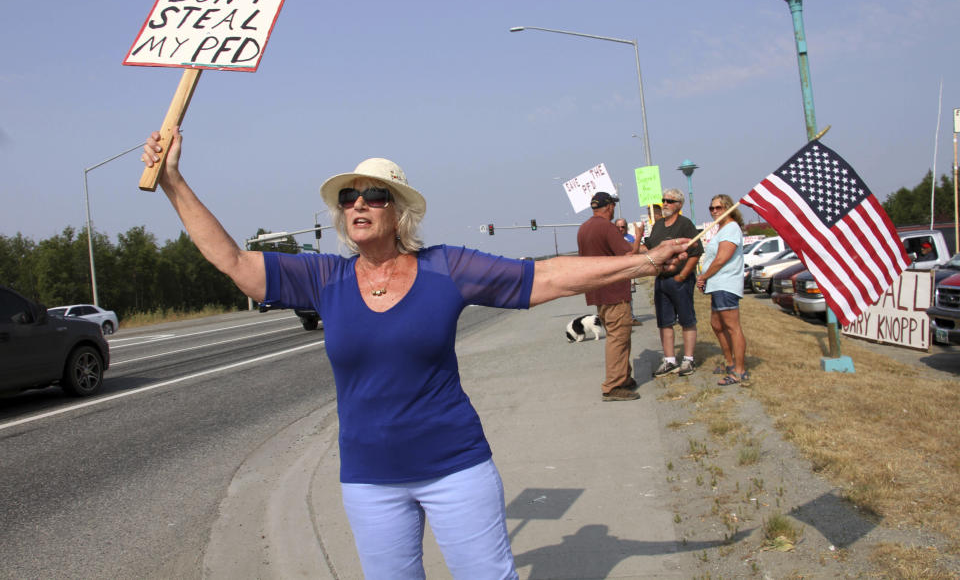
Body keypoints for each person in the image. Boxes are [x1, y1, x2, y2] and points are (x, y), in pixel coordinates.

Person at [141, 129, 690, 580]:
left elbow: (542, 275)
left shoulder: (444, 268)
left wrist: (643, 262)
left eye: (373, 195)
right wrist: (174, 183)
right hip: (368, 479)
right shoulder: (324, 278)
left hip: (455, 468)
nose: (359, 204)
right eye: (349, 197)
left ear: (398, 211)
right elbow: (235, 261)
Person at [578, 193, 644, 401]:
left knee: (620, 335)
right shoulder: (607, 227)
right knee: (617, 338)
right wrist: (639, 235)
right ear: (609, 207)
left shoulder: (584, 228)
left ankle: (623, 378)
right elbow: (628, 256)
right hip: (614, 291)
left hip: (598, 292)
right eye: (613, 205)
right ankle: (613, 386)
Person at [639, 189, 702, 377]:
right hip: (661, 280)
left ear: (679, 205)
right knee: (664, 321)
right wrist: (631, 244)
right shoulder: (658, 225)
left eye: (670, 201)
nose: (665, 203)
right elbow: (648, 248)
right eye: (663, 200)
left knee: (686, 319)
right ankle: (669, 360)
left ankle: (688, 360)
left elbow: (696, 252)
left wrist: (682, 276)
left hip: (680, 280)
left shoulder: (685, 225)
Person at [696, 195, 749, 387]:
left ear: (728, 208)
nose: (714, 211)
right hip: (716, 284)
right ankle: (730, 363)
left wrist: (703, 276)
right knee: (717, 324)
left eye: (718, 207)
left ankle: (740, 371)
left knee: (732, 326)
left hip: (726, 284)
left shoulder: (732, 228)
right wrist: (705, 278)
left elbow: (721, 259)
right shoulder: (721, 229)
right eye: (711, 208)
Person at [615, 217, 645, 326]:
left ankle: (631, 317)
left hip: (628, 271)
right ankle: (619, 319)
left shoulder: (630, 238)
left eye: (623, 226)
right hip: (615, 271)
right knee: (616, 296)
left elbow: (636, 252)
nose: (620, 229)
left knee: (628, 295)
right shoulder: (611, 238)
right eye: (618, 227)